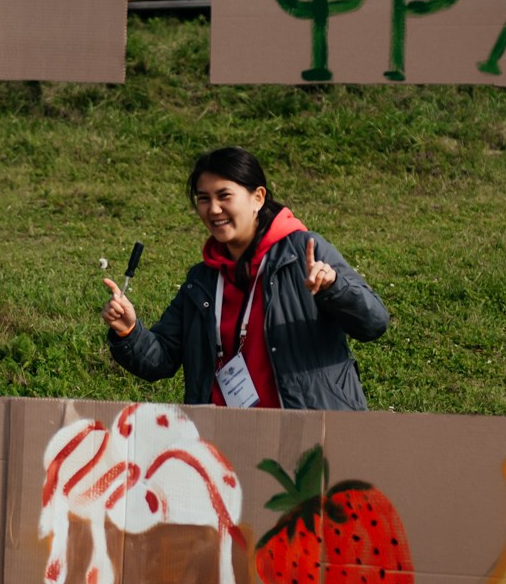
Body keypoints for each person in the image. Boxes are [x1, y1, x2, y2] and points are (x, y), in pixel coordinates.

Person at [102, 146, 389, 410]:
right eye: (203, 199)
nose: (213, 209)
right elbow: (160, 361)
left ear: (258, 198)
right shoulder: (201, 280)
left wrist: (334, 288)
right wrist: (129, 331)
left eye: (224, 196)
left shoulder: (304, 251)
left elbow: (374, 323)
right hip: (225, 440)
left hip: (306, 432)